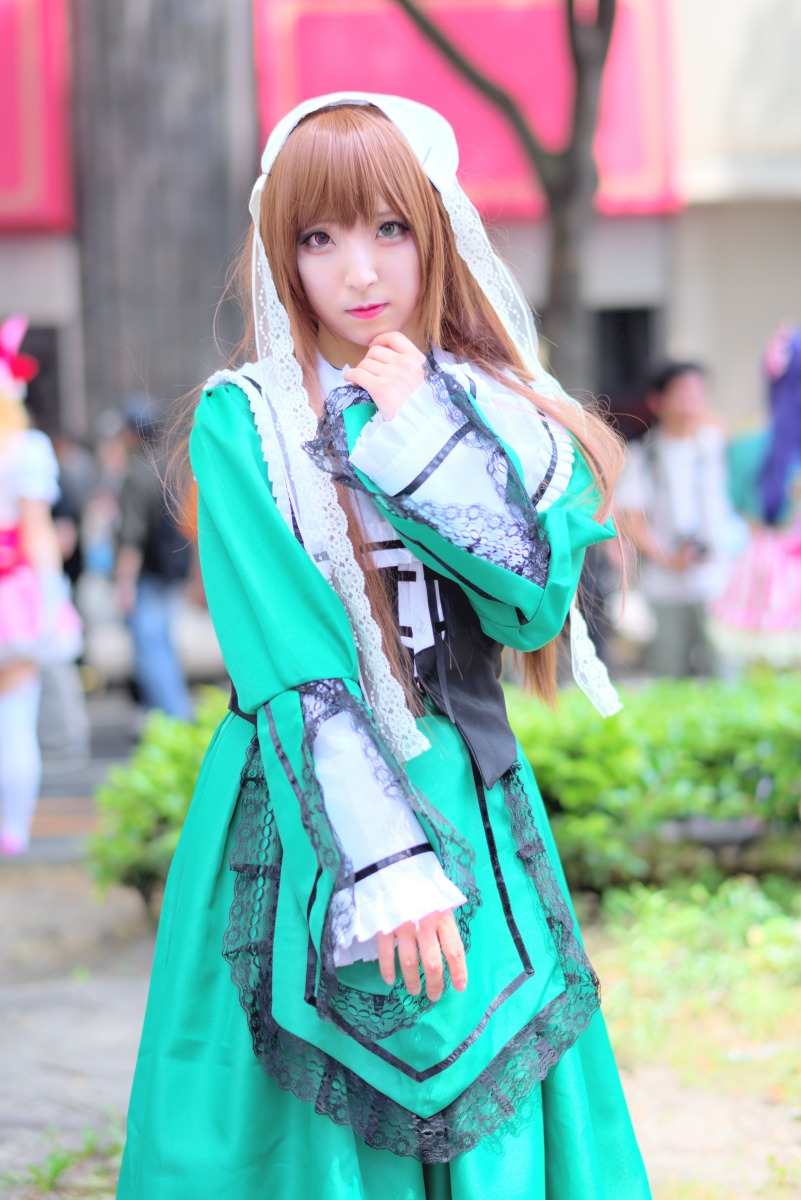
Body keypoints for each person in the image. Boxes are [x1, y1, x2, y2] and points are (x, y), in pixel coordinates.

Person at [117, 94, 650, 1198]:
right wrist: (386, 865)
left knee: (488, 1059)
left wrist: (421, 438)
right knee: (303, 1104)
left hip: (476, 794)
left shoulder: (492, 409)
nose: (357, 269)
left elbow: (531, 611)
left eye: (387, 229)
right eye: (319, 238)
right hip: (305, 805)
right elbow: (294, 663)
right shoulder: (246, 419)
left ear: (436, 229)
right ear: (284, 252)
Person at [0, 315, 81, 855]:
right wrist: (53, 602)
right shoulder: (24, 450)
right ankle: (13, 831)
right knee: (15, 716)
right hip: (14, 599)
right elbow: (37, 535)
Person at [615, 359, 744, 678]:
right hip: (666, 584)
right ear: (658, 402)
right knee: (671, 676)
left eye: (699, 395)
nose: (693, 403)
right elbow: (633, 522)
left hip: (719, 581)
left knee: (727, 673)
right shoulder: (642, 456)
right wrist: (668, 558)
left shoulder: (719, 446)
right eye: (683, 394)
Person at [709, 323, 801, 666]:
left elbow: (734, 504)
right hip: (779, 567)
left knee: (764, 679)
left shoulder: (747, 439)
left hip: (764, 569)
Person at [114, 394, 193, 719]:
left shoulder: (136, 473)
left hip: (148, 573)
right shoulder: (171, 465)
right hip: (172, 568)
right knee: (162, 643)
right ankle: (170, 716)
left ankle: (175, 717)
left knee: (151, 649)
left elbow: (132, 535)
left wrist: (124, 583)